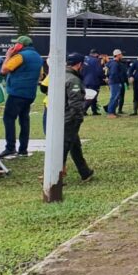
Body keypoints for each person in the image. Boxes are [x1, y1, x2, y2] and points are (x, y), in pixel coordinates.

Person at [0, 35, 44, 159]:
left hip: (16, 93)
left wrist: (8, 55)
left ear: (20, 45)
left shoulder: (20, 56)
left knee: (9, 118)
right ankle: (23, 149)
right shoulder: (38, 57)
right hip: (30, 94)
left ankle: (10, 147)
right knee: (24, 120)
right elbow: (41, 76)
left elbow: (4, 70)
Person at [61, 52, 94, 182]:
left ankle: (85, 172)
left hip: (61, 115)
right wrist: (78, 118)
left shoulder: (60, 75)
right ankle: (55, 174)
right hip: (69, 117)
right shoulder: (73, 79)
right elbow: (75, 103)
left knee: (74, 144)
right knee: (65, 145)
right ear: (79, 65)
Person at [105, 50, 127, 117]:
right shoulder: (115, 64)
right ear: (117, 55)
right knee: (114, 97)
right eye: (121, 55)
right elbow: (113, 74)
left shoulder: (111, 62)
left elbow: (108, 73)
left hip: (113, 82)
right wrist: (119, 81)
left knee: (116, 97)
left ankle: (113, 112)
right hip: (115, 82)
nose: (122, 56)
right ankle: (110, 113)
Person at [81, 49, 104, 116]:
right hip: (94, 81)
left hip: (85, 80)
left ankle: (94, 111)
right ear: (96, 54)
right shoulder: (96, 60)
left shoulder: (84, 59)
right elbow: (99, 71)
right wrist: (104, 77)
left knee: (89, 96)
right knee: (92, 96)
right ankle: (83, 110)